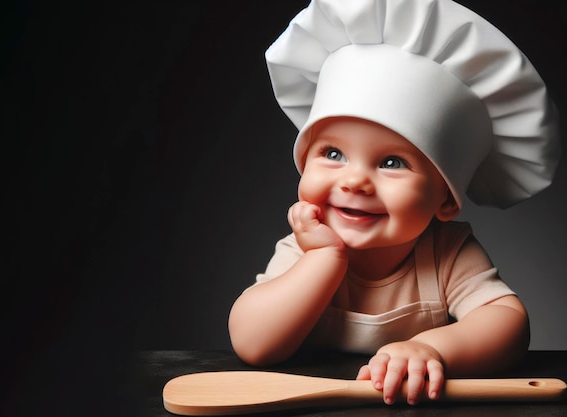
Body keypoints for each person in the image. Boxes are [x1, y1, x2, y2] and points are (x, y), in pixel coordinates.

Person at [228, 0, 561, 407]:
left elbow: (508, 325)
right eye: (333, 153)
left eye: (392, 162)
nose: (353, 180)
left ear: (446, 199)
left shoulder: (445, 253)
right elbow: (253, 344)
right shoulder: (307, 246)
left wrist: (432, 348)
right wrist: (324, 260)